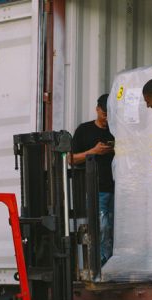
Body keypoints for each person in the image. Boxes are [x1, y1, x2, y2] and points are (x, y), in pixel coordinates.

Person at [69, 93, 115, 266]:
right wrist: (94, 151)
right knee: (101, 227)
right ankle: (100, 264)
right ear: (97, 109)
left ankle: (111, 264)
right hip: (97, 188)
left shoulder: (117, 130)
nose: (107, 118)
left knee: (115, 228)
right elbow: (71, 159)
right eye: (104, 113)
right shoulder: (84, 130)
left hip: (117, 188)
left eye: (110, 113)